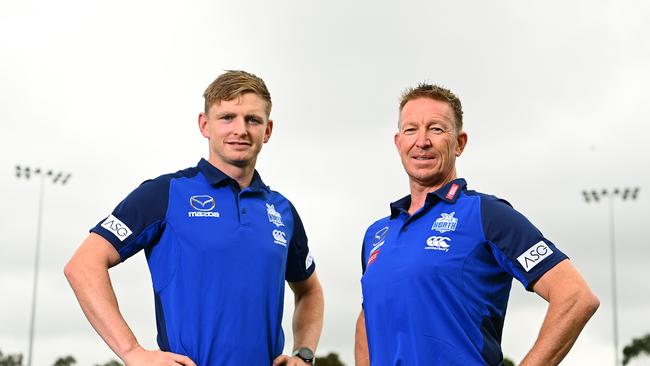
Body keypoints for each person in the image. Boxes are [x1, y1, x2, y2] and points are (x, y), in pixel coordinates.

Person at [64, 70, 324, 366]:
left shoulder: (282, 210)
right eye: (227, 117)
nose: (240, 129)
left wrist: (304, 354)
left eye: (252, 119)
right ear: (205, 125)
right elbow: (83, 265)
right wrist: (132, 351)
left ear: (268, 130)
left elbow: (310, 290)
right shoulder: (165, 193)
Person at [354, 83, 599, 365]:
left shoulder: (487, 214)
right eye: (411, 130)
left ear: (459, 143)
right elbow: (368, 318)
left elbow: (576, 296)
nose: (422, 141)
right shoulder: (377, 233)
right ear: (398, 143)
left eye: (436, 129)